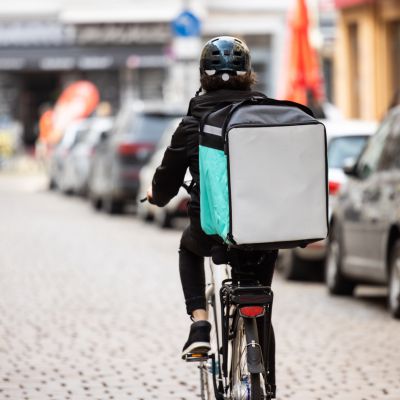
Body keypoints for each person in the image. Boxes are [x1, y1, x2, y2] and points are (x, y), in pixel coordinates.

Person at [147, 36, 278, 396]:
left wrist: (155, 197)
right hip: (262, 230)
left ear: (202, 76)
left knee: (189, 249)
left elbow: (166, 184)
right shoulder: (268, 115)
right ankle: (267, 384)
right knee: (261, 302)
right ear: (248, 75)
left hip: (210, 229)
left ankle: (200, 325)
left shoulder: (192, 123)